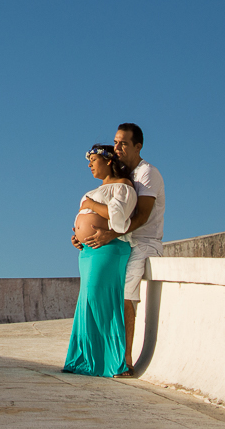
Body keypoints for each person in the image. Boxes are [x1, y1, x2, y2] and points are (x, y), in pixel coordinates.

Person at [75, 123, 164, 374]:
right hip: (121, 242)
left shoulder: (147, 174)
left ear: (138, 146)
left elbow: (143, 216)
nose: (118, 147)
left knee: (125, 297)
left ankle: (125, 361)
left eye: (124, 143)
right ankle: (100, 357)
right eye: (116, 142)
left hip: (143, 243)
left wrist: (110, 233)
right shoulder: (124, 174)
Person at [63, 144, 136, 377]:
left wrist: (91, 205)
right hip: (87, 252)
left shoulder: (123, 186)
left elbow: (119, 218)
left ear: (108, 161)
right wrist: (78, 237)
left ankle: (115, 361)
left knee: (100, 298)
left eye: (93, 159)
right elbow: (85, 217)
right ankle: (87, 360)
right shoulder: (94, 189)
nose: (90, 164)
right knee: (86, 301)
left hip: (109, 248)